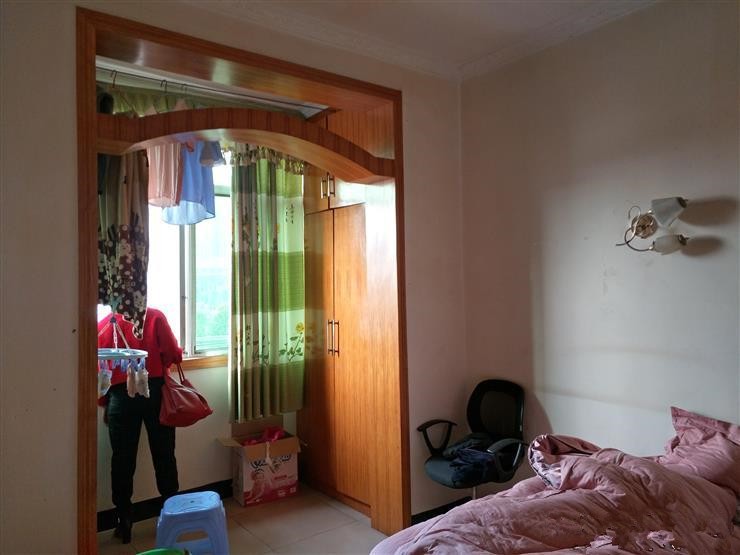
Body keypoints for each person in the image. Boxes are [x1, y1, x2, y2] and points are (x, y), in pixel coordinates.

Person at [97, 307, 182, 544]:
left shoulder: (104, 325)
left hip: (119, 395)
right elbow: (172, 354)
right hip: (153, 391)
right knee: (164, 454)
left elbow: (100, 370)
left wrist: (105, 404)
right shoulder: (154, 317)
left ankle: (123, 519)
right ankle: (171, 513)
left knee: (122, 460)